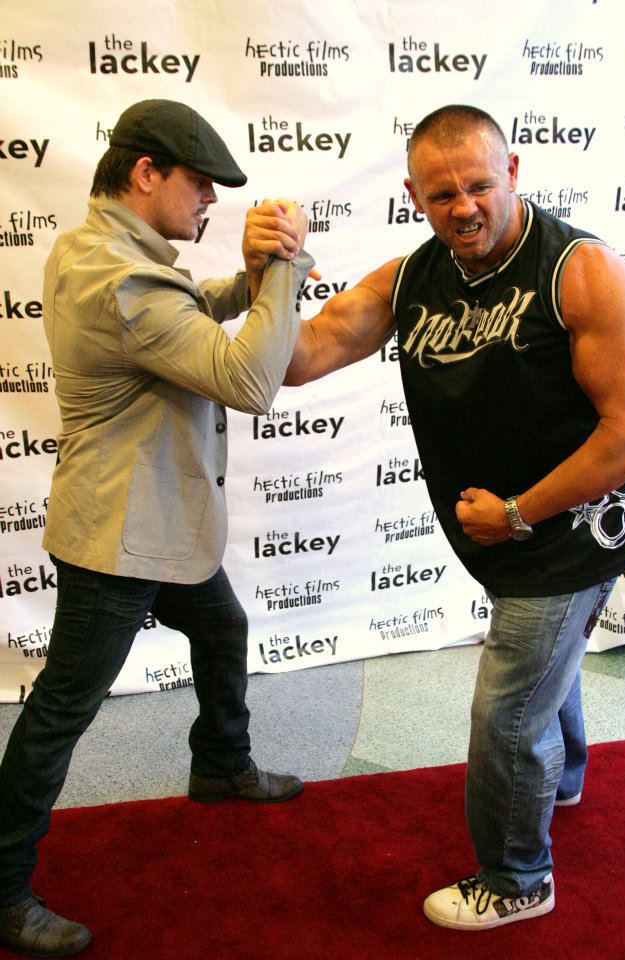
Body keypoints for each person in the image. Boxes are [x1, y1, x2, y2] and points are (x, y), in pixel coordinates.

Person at [284, 104, 625, 930]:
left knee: (507, 709)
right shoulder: (415, 278)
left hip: (574, 528)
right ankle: (566, 776)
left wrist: (518, 514)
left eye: (480, 185)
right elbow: (302, 359)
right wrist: (275, 274)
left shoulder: (582, 272)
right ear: (414, 195)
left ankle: (518, 879)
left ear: (512, 172)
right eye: (443, 195)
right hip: (503, 530)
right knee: (544, 666)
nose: (465, 207)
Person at [0, 98, 314, 957]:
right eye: (200, 185)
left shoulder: (97, 246)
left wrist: (244, 282)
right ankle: (1, 887)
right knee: (63, 709)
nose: (209, 201)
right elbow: (248, 382)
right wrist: (282, 268)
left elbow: (175, 313)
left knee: (222, 626)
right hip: (121, 535)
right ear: (147, 173)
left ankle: (220, 765)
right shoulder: (120, 275)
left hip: (153, 519)